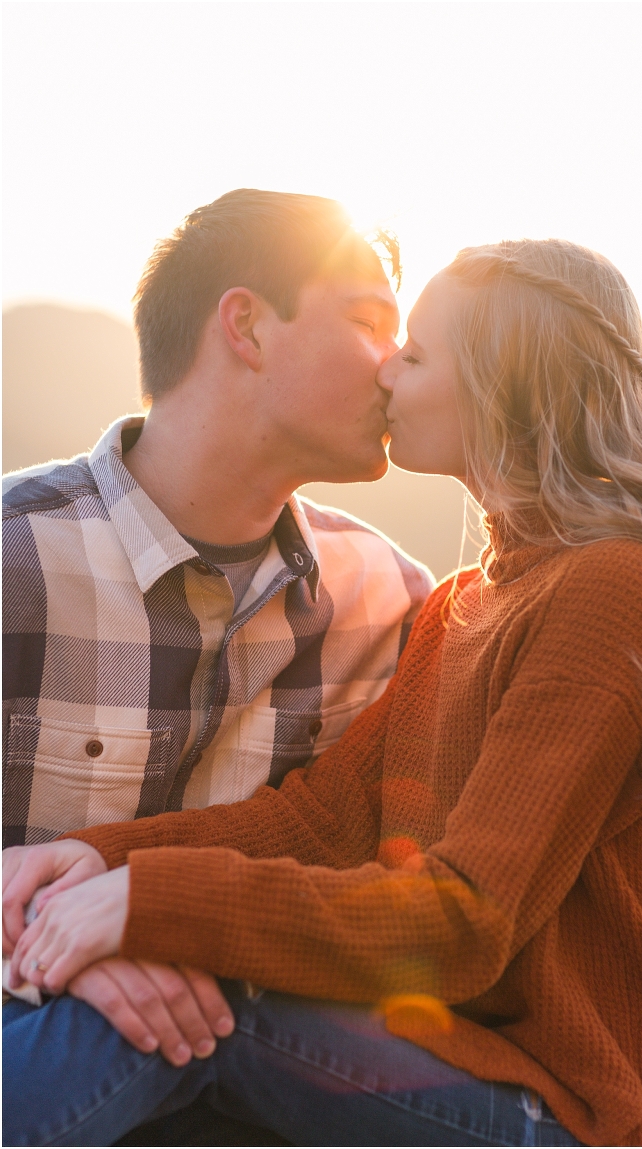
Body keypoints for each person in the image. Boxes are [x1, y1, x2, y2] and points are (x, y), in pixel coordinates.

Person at [4, 238, 642, 1146]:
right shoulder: (456, 607)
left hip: (602, 1109)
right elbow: (321, 823)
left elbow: (468, 920)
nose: (387, 372)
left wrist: (147, 901)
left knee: (212, 996)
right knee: (169, 985)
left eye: (411, 351)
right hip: (482, 1066)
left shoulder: (611, 587)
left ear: (500, 383)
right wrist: (97, 860)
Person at [2, 189, 431, 1032]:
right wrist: (34, 949)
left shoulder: (397, 602)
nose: (394, 363)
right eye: (371, 321)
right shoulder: (13, 562)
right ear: (247, 326)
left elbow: (494, 838)